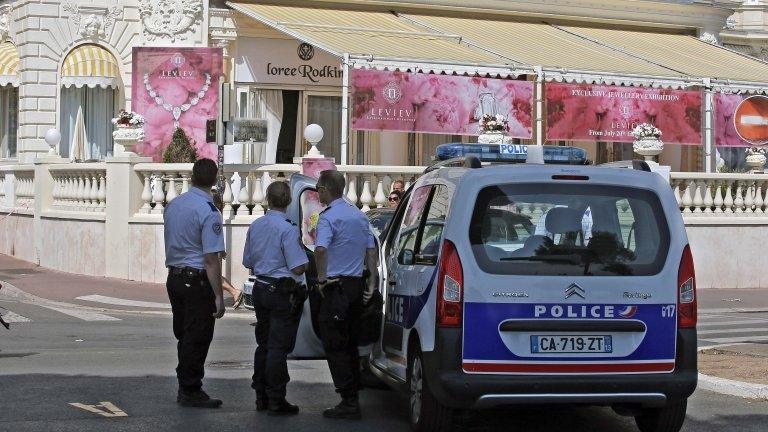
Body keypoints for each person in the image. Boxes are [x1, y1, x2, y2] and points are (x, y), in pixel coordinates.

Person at [314, 169, 379, 420]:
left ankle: (348, 399)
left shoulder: (329, 218)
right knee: (350, 342)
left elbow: (320, 250)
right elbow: (371, 251)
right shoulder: (358, 216)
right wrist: (371, 281)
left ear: (326, 189)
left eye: (319, 187)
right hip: (355, 286)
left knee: (335, 343)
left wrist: (320, 279)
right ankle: (353, 393)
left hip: (335, 287)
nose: (318, 192)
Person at [163, 158, 226, 409]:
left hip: (175, 277)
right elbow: (211, 259)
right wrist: (219, 296)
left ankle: (186, 386)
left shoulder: (174, 205)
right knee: (197, 336)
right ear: (215, 180)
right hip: (195, 279)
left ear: (192, 177)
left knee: (184, 334)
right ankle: (190, 388)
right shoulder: (208, 211)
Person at [243, 181, 308, 416]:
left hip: (261, 287)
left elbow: (248, 261)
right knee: (278, 347)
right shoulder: (288, 229)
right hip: (281, 291)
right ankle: (276, 398)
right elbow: (298, 267)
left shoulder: (256, 225)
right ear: (289, 200)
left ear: (267, 200)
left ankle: (261, 393)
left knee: (264, 343)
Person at [211, 188, 244, 309]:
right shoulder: (216, 213)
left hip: (214, 249)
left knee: (213, 275)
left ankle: (235, 292)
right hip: (215, 248)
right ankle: (234, 292)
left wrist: (220, 249)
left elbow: (216, 233)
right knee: (214, 275)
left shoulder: (214, 213)